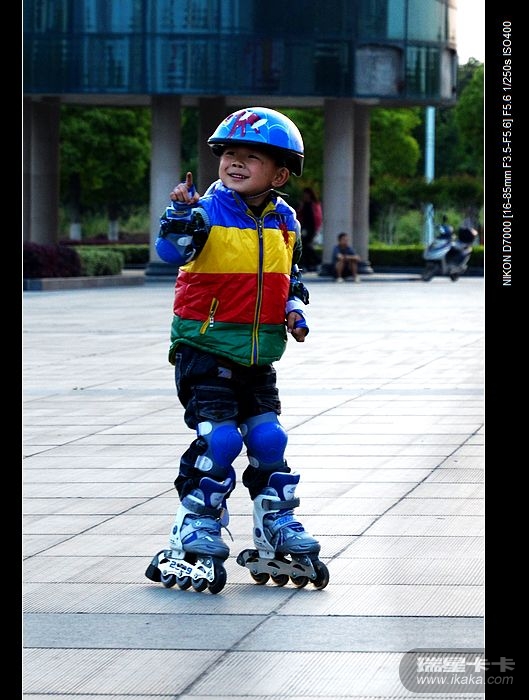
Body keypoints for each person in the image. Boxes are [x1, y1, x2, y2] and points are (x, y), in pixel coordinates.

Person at [145, 107, 329, 594]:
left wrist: (294, 309)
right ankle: (194, 525)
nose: (236, 162)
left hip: (258, 353)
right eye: (229, 154)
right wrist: (178, 215)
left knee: (270, 439)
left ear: (280, 175)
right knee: (221, 441)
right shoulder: (204, 211)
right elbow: (171, 252)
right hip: (204, 347)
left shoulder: (285, 219)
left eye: (251, 156)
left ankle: (275, 525)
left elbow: (291, 275)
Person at [296, 187, 322, 271]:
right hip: (304, 227)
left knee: (307, 245)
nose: (305, 196)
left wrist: (317, 229)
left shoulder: (314, 204)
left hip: (311, 228)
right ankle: (309, 263)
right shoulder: (303, 204)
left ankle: (315, 261)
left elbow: (318, 217)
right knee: (303, 245)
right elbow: (298, 215)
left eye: (306, 194)